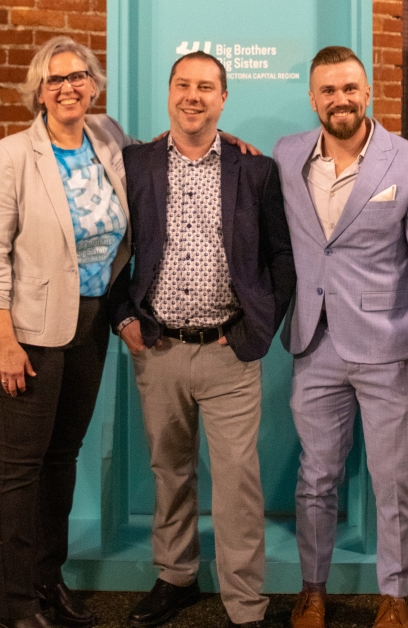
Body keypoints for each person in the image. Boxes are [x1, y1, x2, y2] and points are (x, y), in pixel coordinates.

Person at [273, 46, 408, 628]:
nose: (341, 100)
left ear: (367, 92)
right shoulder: (286, 155)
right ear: (312, 98)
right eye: (329, 90)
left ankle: (395, 595)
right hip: (314, 342)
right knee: (315, 478)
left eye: (350, 88)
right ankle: (312, 589)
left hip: (388, 344)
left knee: (393, 479)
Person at [109, 50, 297, 628]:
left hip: (228, 353)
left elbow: (281, 257)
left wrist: (255, 330)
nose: (193, 96)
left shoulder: (256, 170)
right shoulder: (134, 163)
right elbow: (110, 246)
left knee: (238, 482)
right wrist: (122, 317)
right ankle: (176, 576)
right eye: (184, 85)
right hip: (159, 349)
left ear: (223, 98)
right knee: (170, 471)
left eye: (206, 87)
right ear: (170, 92)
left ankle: (245, 603)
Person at [0, 35, 133, 628]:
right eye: (55, 79)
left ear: (93, 84)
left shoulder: (108, 137)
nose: (68, 87)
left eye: (78, 76)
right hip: (27, 330)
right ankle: (13, 603)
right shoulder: (10, 156)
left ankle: (47, 579)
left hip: (90, 320)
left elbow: (162, 159)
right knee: (20, 468)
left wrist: (227, 141)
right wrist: (5, 341)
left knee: (62, 458)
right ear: (38, 92)